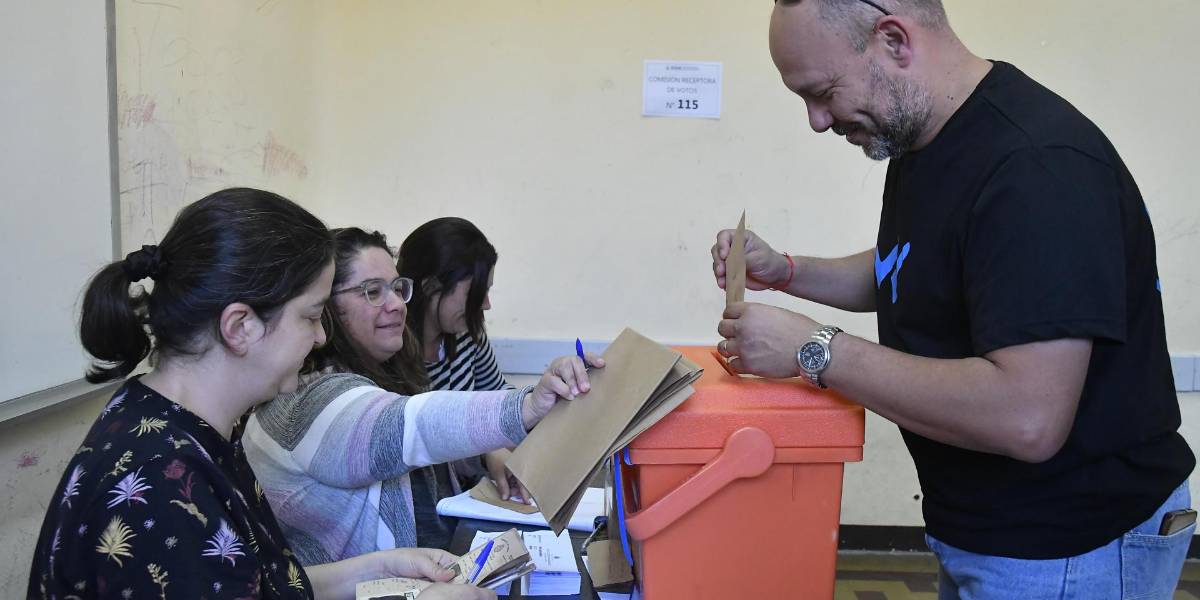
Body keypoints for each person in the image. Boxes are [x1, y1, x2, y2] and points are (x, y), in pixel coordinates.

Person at [711, 1, 1195, 598]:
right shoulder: (926, 137)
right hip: (990, 530)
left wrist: (815, 348)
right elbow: (912, 268)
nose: (816, 120)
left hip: (1071, 548)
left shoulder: (1037, 168)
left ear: (893, 40)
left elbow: (1027, 418)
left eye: (823, 91)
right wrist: (786, 270)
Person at [27, 188, 491, 600]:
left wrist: (378, 570)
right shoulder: (160, 487)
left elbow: (265, 582)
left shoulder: (192, 429)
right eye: (310, 317)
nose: (321, 338)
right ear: (241, 327)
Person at [243, 227, 600, 564]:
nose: (397, 304)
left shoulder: (387, 369)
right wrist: (527, 405)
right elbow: (411, 426)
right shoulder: (312, 395)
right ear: (327, 309)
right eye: (372, 291)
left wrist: (489, 451)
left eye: (397, 288)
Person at [396, 217, 530, 528]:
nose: (485, 305)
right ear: (430, 287)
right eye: (477, 292)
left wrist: (499, 444)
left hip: (468, 495)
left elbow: (497, 396)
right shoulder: (391, 350)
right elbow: (418, 439)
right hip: (425, 511)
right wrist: (488, 447)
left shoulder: (468, 333)